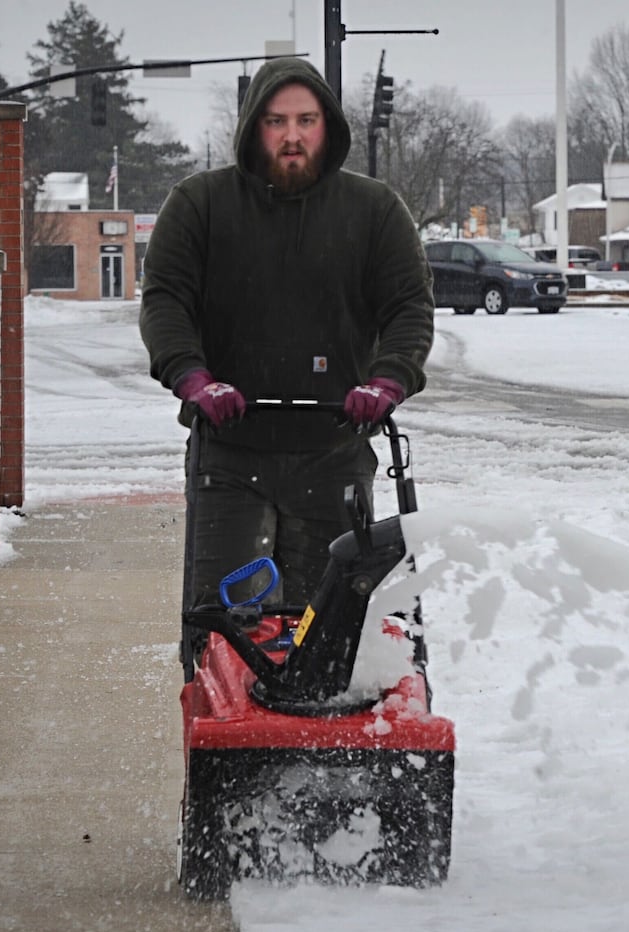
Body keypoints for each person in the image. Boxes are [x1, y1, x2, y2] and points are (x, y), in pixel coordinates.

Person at [139, 57, 433, 620]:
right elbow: (165, 299)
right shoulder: (200, 205)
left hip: (335, 453)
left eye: (306, 120)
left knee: (327, 634)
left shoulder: (373, 212)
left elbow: (409, 306)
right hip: (228, 455)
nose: (292, 136)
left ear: (328, 125)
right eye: (276, 121)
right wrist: (193, 377)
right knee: (228, 628)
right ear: (254, 127)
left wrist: (387, 380)